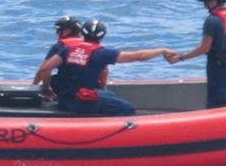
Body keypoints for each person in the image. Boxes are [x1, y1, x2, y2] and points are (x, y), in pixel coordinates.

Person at [34, 16, 173, 116]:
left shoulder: (67, 49)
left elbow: (46, 69)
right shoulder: (102, 54)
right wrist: (162, 50)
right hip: (79, 101)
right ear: (102, 36)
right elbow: (138, 56)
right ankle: (108, 137)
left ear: (83, 34)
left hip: (64, 98)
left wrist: (46, 87)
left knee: (109, 95)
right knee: (128, 109)